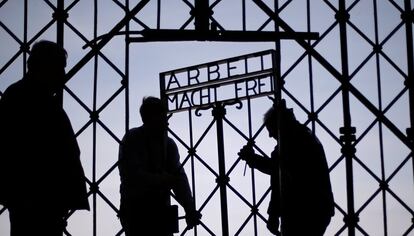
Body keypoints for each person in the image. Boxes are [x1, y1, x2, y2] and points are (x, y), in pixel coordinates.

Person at [0, 40, 90, 236]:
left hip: (37, 198)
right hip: (38, 198)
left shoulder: (22, 95)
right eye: (60, 67)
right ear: (46, 66)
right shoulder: (33, 99)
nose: (64, 75)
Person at [238, 100, 334, 236]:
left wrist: (273, 214)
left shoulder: (293, 141)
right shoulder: (303, 136)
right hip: (315, 207)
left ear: (279, 125)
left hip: (302, 210)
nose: (270, 135)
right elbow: (279, 171)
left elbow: (278, 173)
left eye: (270, 129)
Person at [118, 96, 201, 236]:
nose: (166, 122)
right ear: (150, 118)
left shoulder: (167, 144)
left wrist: (189, 208)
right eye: (162, 117)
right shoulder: (134, 138)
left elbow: (179, 179)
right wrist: (163, 180)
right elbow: (132, 175)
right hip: (137, 210)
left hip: (152, 209)